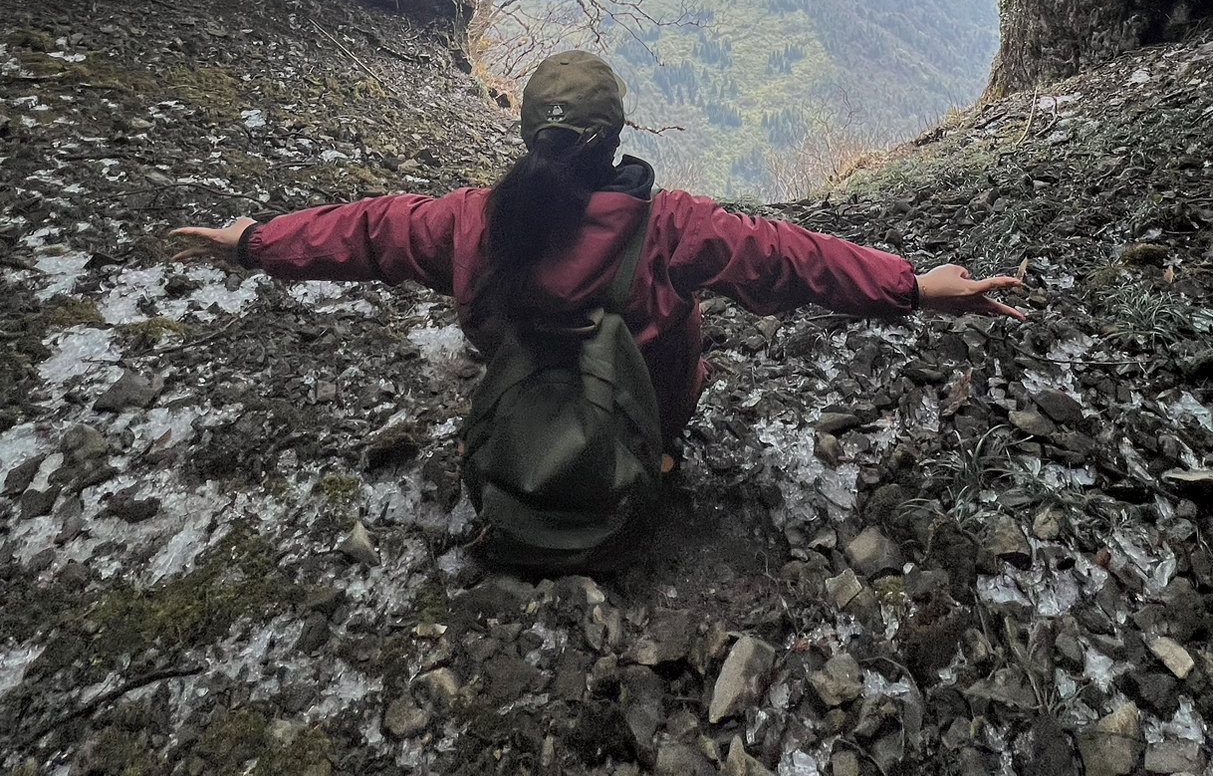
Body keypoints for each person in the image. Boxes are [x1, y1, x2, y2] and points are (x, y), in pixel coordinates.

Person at [173, 51, 1023, 489]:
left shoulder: (468, 221)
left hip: (520, 390)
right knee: (681, 340)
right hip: (638, 406)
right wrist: (912, 287)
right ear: (616, 136)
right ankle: (653, 454)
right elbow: (792, 257)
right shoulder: (670, 228)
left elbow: (362, 232)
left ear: (526, 138)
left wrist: (256, 240)